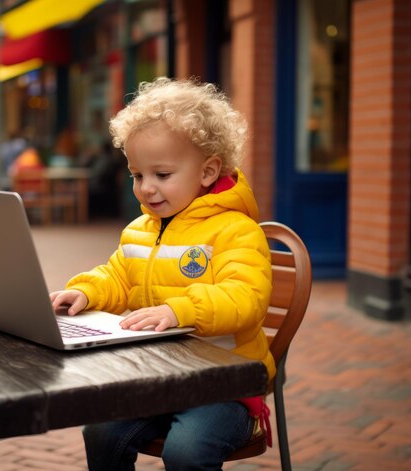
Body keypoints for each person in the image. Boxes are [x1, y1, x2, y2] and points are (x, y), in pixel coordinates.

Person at [50, 77, 274, 471]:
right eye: (137, 175)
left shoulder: (236, 231)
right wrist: (86, 291)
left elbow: (246, 300)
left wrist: (179, 311)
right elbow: (119, 277)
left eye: (162, 175)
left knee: (186, 452)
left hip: (223, 385)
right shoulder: (140, 229)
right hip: (155, 376)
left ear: (208, 172)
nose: (146, 189)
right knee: (100, 430)